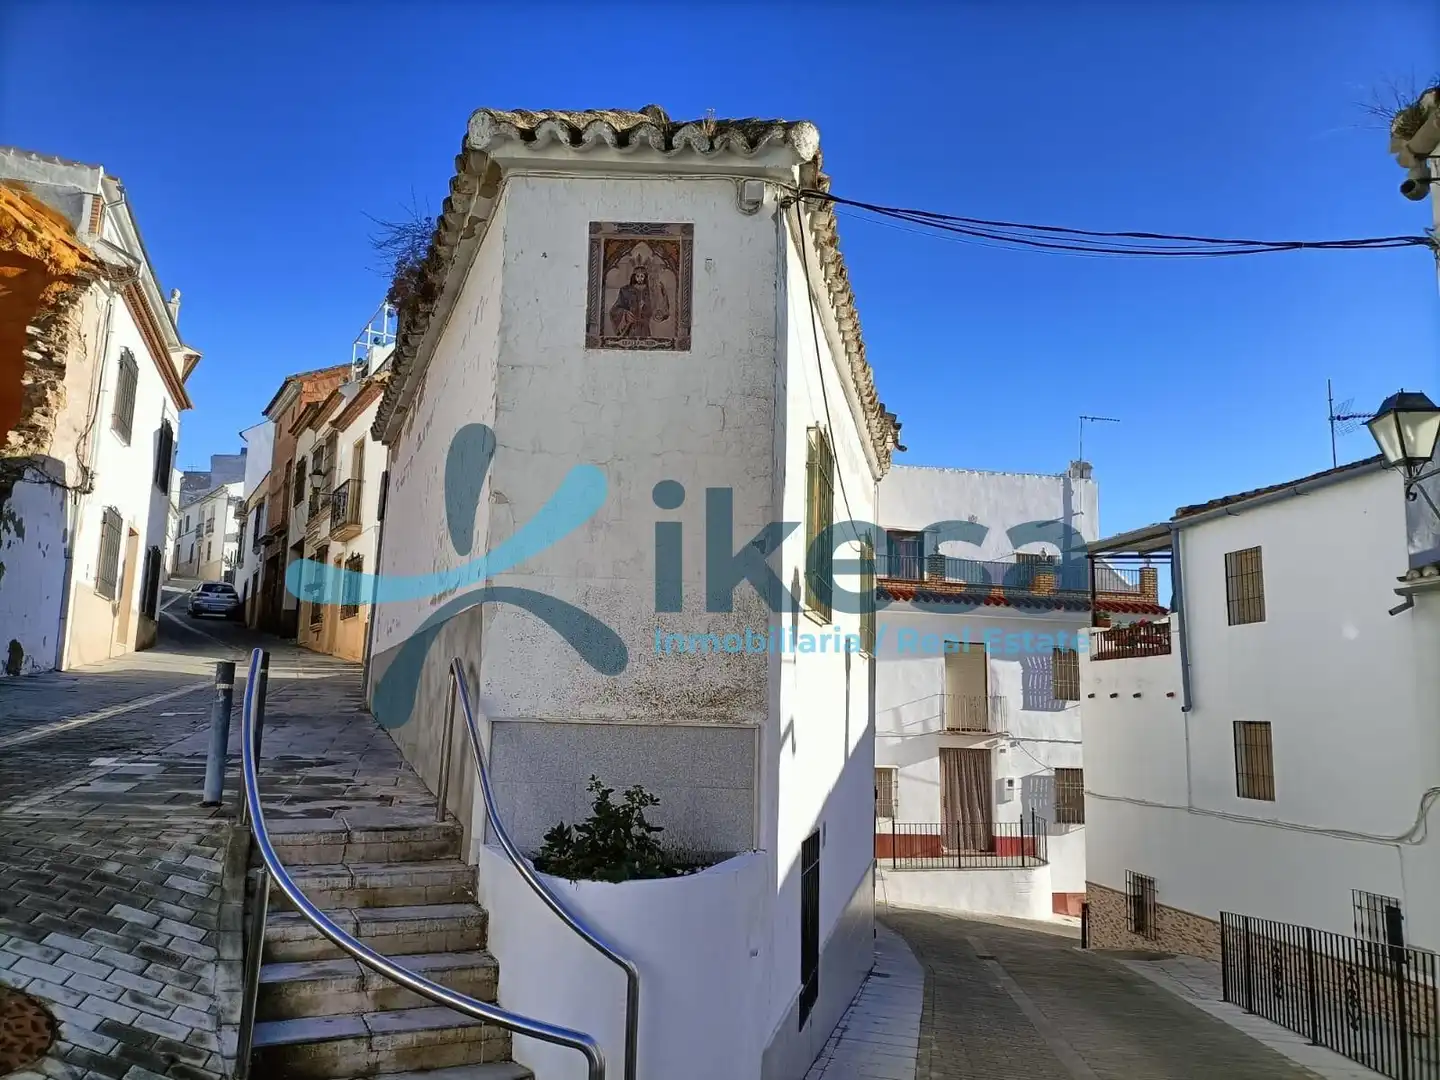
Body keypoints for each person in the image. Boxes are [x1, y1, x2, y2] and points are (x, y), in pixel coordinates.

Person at [609, 265, 669, 339]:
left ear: (645, 277)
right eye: (637, 276)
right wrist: (625, 314)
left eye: (642, 276)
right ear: (634, 277)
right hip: (631, 327)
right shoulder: (626, 290)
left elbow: (658, 307)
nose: (640, 279)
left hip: (645, 326)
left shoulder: (651, 291)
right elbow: (615, 310)